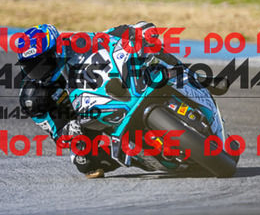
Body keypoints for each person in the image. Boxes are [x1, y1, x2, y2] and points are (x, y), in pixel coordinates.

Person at [16, 22, 156, 179]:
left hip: (108, 86)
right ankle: (135, 157)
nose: (38, 70)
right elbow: (57, 134)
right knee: (85, 163)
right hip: (83, 119)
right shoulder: (33, 99)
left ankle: (174, 78)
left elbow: (105, 36)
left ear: (57, 50)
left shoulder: (75, 43)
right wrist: (69, 130)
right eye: (31, 66)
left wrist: (134, 30)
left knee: (150, 56)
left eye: (44, 62)